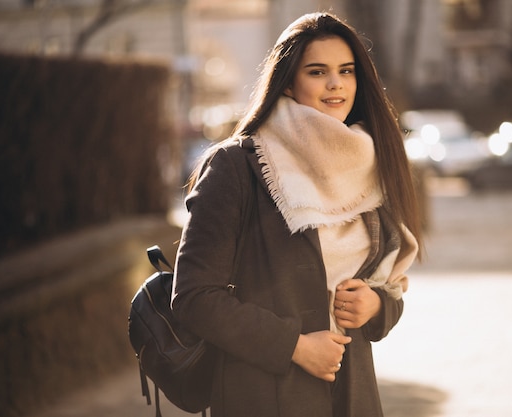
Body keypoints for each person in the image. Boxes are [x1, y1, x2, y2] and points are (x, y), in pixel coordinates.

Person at [172, 12, 422, 417]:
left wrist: (375, 306)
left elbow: (388, 288)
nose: (336, 83)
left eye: (346, 71)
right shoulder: (238, 166)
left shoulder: (371, 163)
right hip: (263, 397)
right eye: (317, 71)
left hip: (353, 397)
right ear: (288, 81)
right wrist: (295, 346)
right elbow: (194, 298)